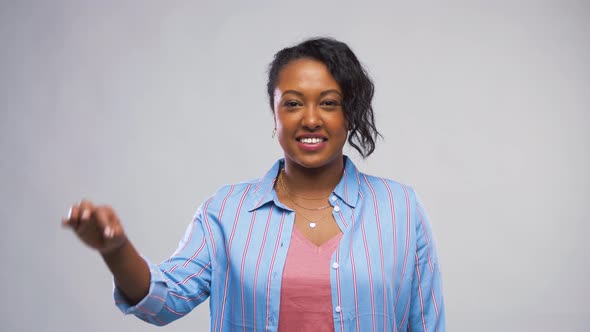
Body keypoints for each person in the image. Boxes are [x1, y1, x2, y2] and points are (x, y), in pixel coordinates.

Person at [63, 37, 445, 332]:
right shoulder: (226, 210)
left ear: (350, 114)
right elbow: (163, 301)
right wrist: (115, 249)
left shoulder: (400, 208)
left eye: (328, 103)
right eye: (293, 104)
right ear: (274, 114)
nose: (310, 119)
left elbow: (427, 324)